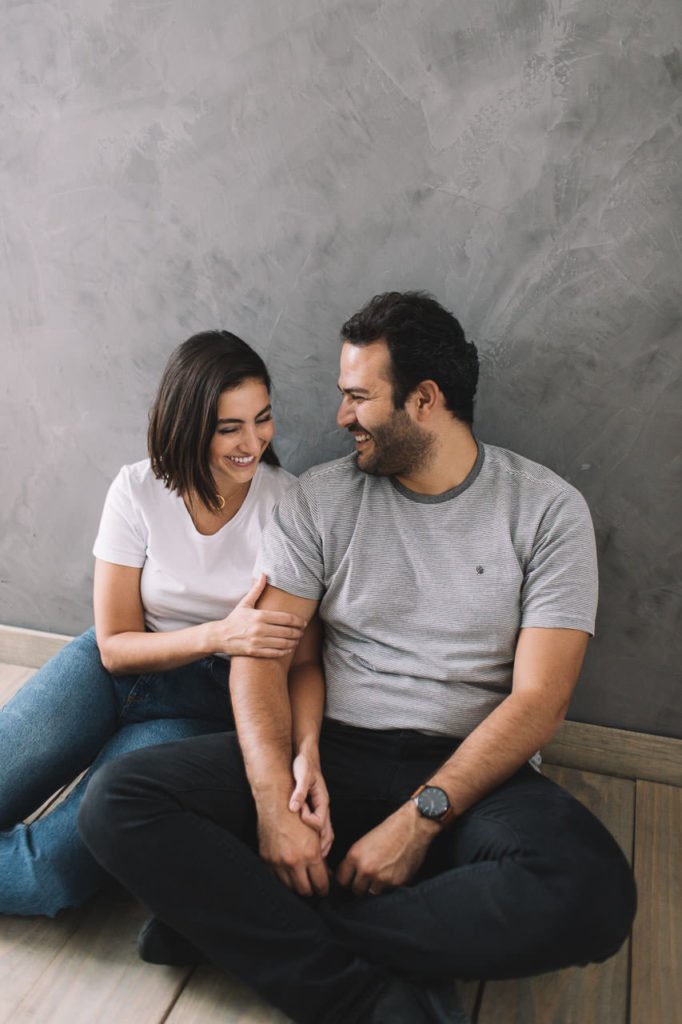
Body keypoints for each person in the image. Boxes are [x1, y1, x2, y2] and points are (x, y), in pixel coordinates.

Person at [79, 294, 636, 1024]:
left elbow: (540, 701)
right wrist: (272, 802)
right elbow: (263, 656)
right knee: (117, 800)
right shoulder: (320, 499)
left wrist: (420, 820)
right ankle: (369, 995)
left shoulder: (547, 509)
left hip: (473, 774)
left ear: (424, 400)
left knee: (593, 892)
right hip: (336, 758)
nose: (340, 416)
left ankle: (247, 934)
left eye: (358, 397)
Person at [0, 329, 308, 917]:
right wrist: (218, 634)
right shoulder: (136, 489)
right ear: (189, 425)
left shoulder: (289, 507)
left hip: (205, 704)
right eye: (230, 428)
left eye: (262, 419)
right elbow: (114, 647)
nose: (253, 443)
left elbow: (287, 658)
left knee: (50, 878)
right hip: (112, 674)